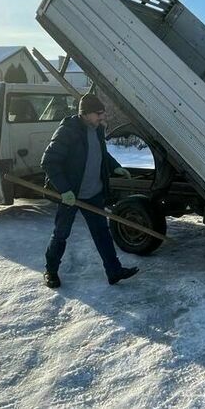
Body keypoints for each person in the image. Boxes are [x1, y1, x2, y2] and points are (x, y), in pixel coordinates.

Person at [40, 93, 138, 288]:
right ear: (85, 114)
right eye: (98, 113)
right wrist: (65, 190)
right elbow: (49, 161)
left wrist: (115, 166)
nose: (102, 117)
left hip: (93, 193)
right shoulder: (67, 131)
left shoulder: (97, 130)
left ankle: (114, 271)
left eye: (103, 113)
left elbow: (101, 154)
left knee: (102, 233)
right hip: (71, 195)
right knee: (61, 234)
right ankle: (50, 271)